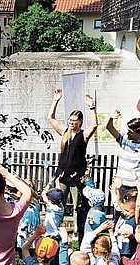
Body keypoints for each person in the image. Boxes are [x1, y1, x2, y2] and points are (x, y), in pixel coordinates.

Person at [48, 89, 97, 240]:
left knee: (77, 205)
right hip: (62, 176)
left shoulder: (83, 135)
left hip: (77, 176)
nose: (70, 123)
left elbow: (95, 125)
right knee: (58, 203)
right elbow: (51, 118)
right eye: (69, 120)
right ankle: (57, 228)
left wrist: (92, 107)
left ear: (80, 122)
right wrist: (56, 100)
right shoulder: (64, 132)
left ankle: (77, 230)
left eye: (74, 121)